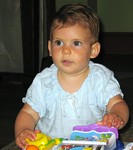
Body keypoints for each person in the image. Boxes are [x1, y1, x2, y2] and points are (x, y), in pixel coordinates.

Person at [15, 3, 129, 148]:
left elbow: (117, 103)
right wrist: (23, 130)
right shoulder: (43, 82)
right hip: (51, 145)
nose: (66, 50)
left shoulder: (100, 78)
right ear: (50, 48)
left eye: (76, 43)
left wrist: (116, 115)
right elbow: (28, 113)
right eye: (59, 42)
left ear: (93, 50)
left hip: (91, 144)